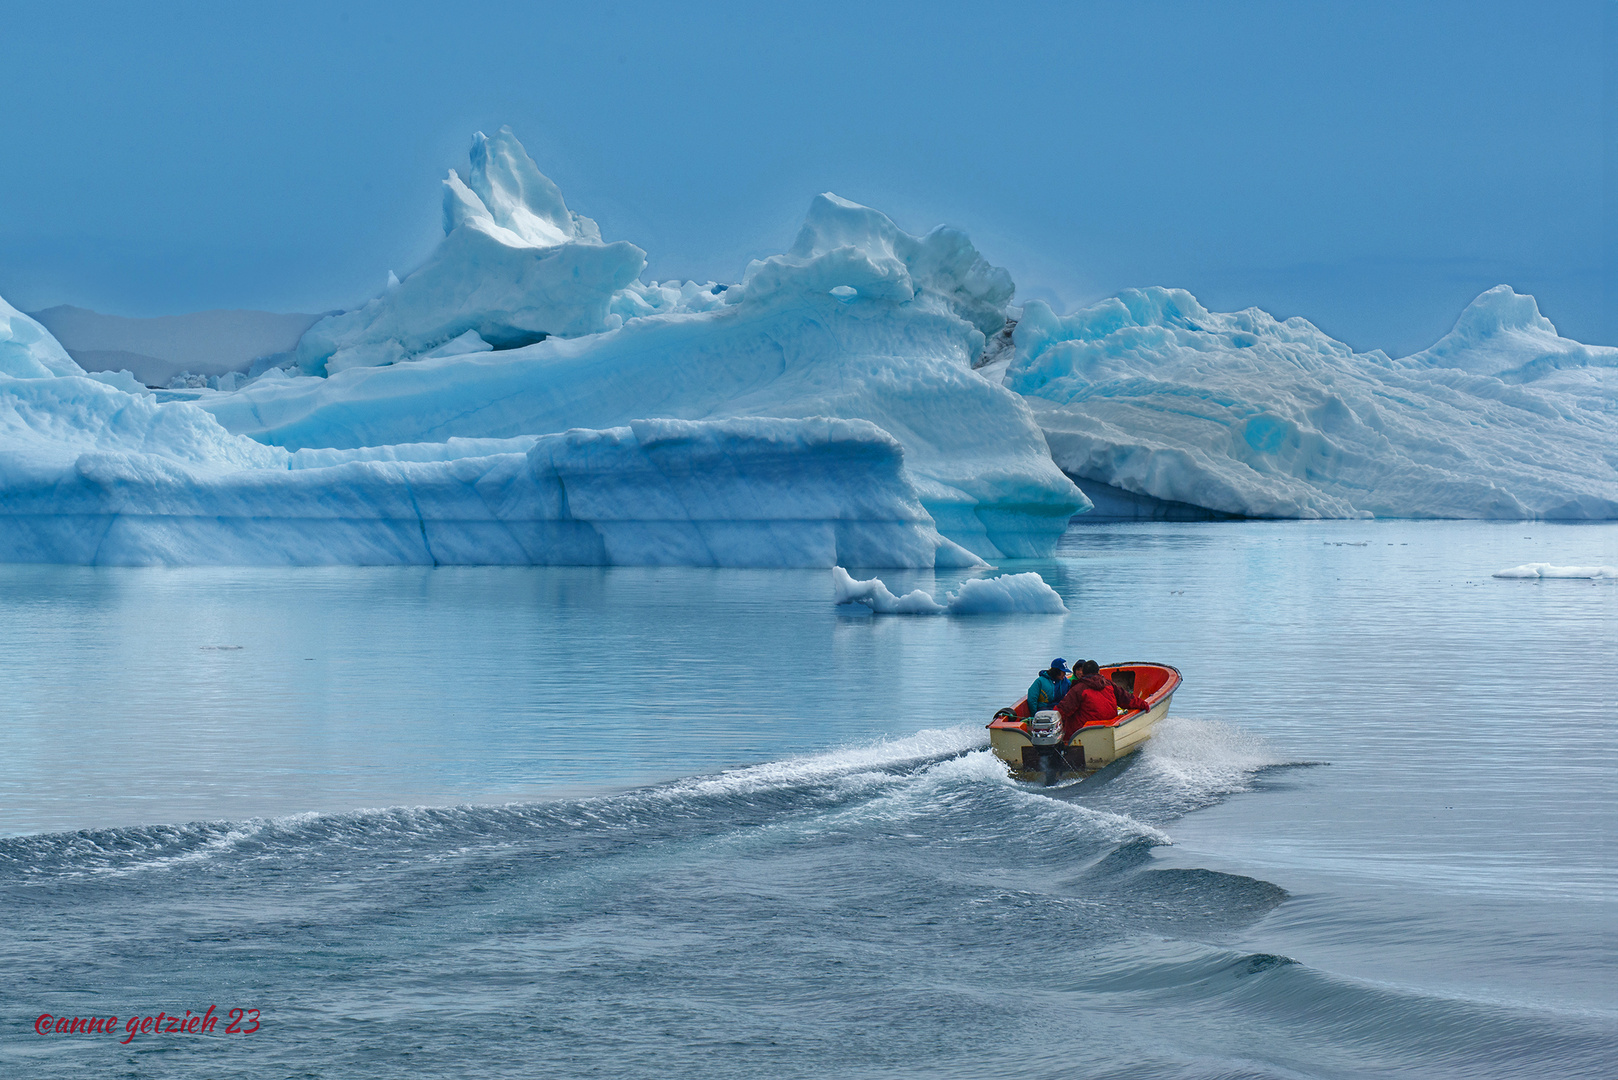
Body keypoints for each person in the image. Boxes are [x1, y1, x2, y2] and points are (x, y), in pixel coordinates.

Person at [1054, 661, 1148, 743]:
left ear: (1083, 674)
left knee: (1068, 718)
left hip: (1084, 732)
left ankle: (1066, 744)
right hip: (1109, 728)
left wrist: (1051, 714)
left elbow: (1064, 709)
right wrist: (1144, 704)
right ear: (1098, 672)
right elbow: (1127, 699)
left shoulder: (1078, 689)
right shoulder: (1108, 684)